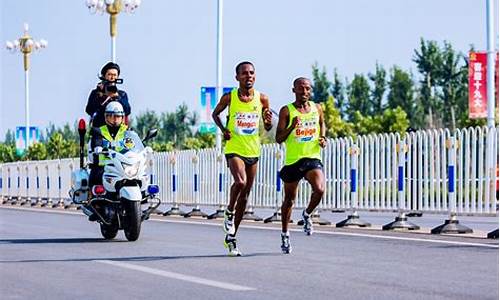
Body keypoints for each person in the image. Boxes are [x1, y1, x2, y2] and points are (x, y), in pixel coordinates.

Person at [212, 61, 273, 256]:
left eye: (252, 73)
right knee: (240, 181)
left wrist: (269, 121)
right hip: (234, 149)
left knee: (245, 196)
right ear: (237, 77)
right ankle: (229, 211)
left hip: (253, 151)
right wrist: (224, 130)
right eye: (245, 73)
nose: (249, 76)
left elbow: (268, 126)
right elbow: (215, 114)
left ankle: (232, 238)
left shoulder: (262, 98)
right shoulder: (230, 97)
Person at [275, 77, 327, 254]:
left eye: (308, 89)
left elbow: (321, 123)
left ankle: (307, 214)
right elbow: (278, 138)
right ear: (294, 90)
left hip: (312, 157)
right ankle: (285, 233)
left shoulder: (317, 107)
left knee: (319, 189)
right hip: (293, 161)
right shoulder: (286, 111)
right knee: (289, 200)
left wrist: (323, 137)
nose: (304, 92)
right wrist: (291, 127)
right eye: (301, 89)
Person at [85, 62, 131, 128]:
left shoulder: (122, 94)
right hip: (99, 131)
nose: (112, 77)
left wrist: (117, 97)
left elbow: (127, 111)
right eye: (109, 75)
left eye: (115, 75)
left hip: (118, 132)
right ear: (104, 76)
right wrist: (102, 97)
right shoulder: (95, 93)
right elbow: (89, 110)